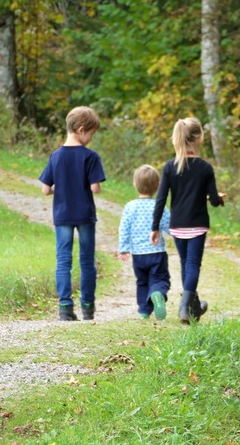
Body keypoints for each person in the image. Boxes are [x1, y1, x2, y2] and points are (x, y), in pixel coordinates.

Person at [152, 117, 224, 324]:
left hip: (177, 224)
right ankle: (185, 307)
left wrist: (155, 227)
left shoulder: (169, 167)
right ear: (199, 137)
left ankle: (193, 308)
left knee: (185, 264)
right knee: (193, 264)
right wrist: (219, 199)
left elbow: (161, 198)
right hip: (198, 224)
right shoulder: (205, 168)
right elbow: (214, 201)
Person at [39, 106, 106, 322]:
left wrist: (63, 189)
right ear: (81, 129)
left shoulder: (56, 156)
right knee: (87, 260)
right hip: (85, 214)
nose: (91, 139)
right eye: (91, 134)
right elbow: (95, 188)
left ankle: (65, 307)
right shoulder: (90, 156)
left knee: (63, 260)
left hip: (63, 215)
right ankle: (87, 305)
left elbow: (45, 189)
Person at [119, 165, 171, 320]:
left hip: (138, 255)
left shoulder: (130, 207)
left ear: (135, 185)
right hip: (157, 252)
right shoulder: (159, 206)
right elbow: (169, 226)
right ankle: (157, 293)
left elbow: (124, 228)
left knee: (142, 282)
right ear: (157, 186)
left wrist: (123, 249)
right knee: (160, 279)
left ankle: (144, 311)